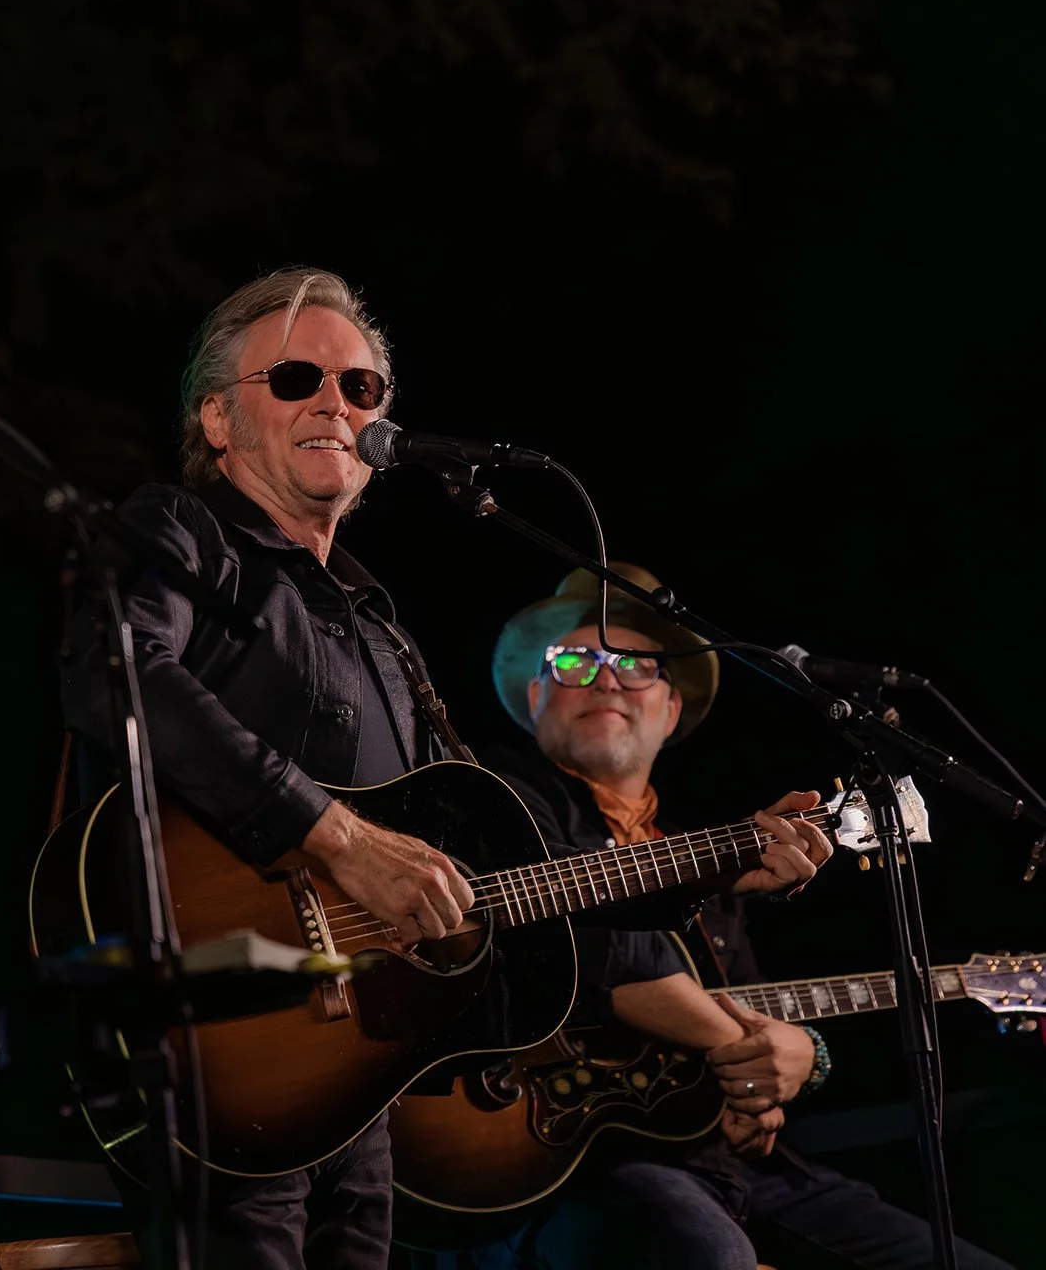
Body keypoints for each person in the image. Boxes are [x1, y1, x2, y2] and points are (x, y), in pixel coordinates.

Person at [56, 270, 828, 1270]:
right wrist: (334, 837)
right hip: (217, 1029)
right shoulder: (184, 533)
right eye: (296, 377)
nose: (335, 401)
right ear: (216, 417)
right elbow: (115, 679)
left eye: (362, 387)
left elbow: (509, 875)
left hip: (360, 1066)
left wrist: (713, 865)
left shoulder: (381, 630)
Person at [465, 563, 1016, 1270]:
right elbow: (588, 949)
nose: (605, 678)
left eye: (635, 665)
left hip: (730, 1161)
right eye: (574, 661)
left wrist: (792, 1064)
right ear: (536, 696)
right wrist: (740, 1042)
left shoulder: (701, 862)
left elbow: (748, 1009)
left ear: (668, 710)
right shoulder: (500, 803)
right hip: (574, 1154)